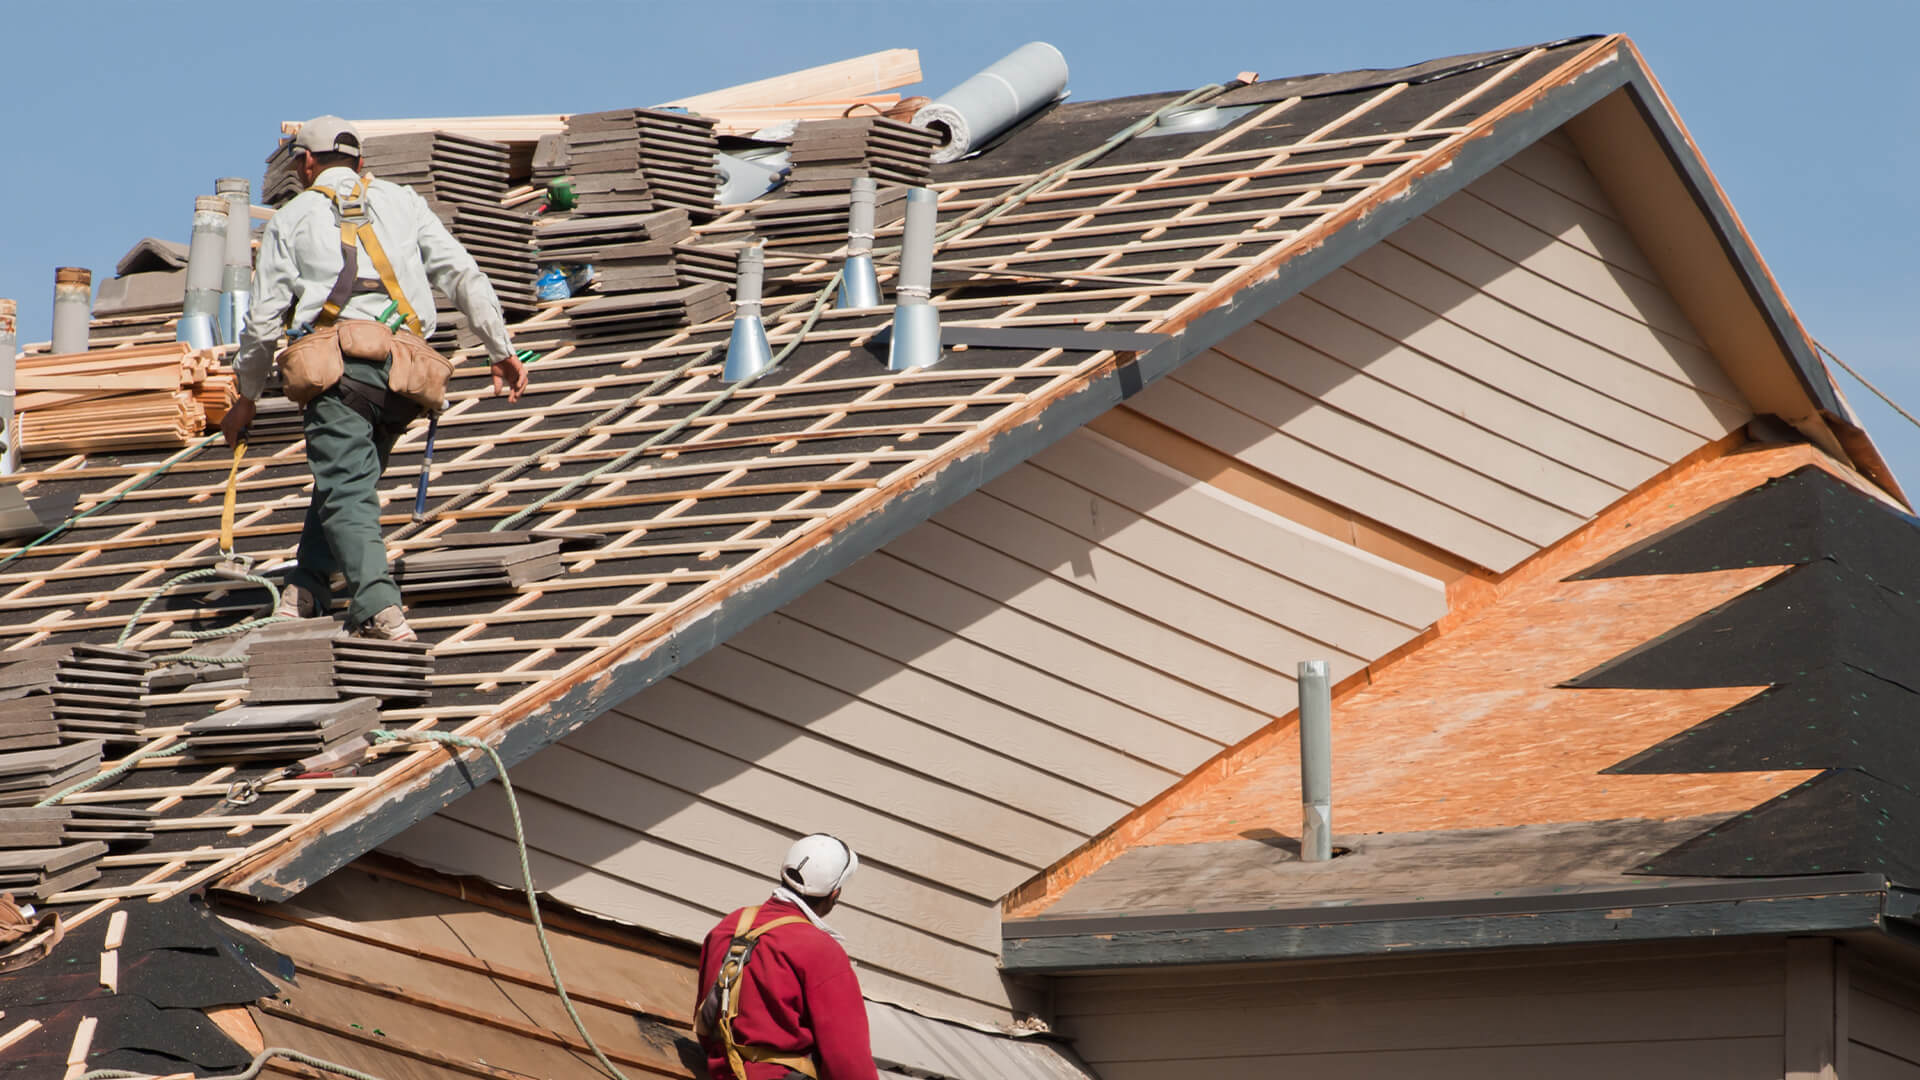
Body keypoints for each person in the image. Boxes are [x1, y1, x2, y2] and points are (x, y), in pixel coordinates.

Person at [221, 115, 529, 641]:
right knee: (348, 480)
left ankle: (378, 609)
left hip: (339, 371)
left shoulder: (290, 219)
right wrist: (499, 348)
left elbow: (262, 322)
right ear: (362, 163)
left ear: (306, 165)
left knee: (345, 489)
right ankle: (309, 586)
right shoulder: (404, 202)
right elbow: (463, 274)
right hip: (406, 377)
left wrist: (245, 396)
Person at [695, 834, 878, 1080]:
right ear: (834, 894)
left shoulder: (731, 925)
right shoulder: (821, 951)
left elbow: (706, 1026)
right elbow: (848, 1063)